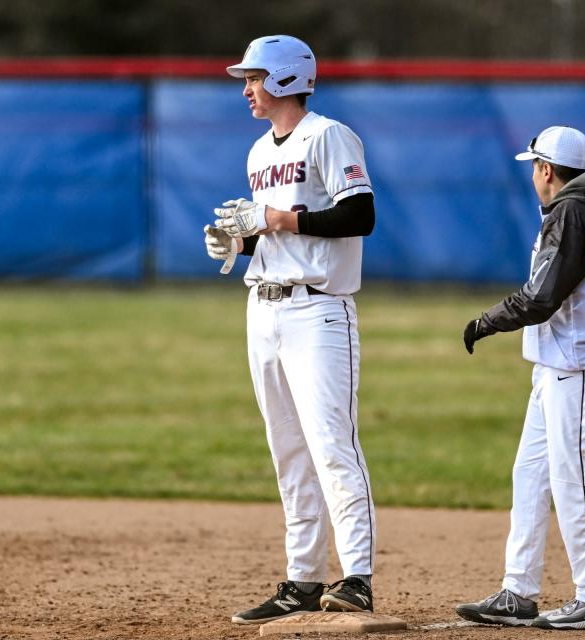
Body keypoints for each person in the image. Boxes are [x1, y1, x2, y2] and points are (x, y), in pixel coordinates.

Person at [203, 35, 378, 625]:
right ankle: (302, 580)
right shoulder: (258, 152)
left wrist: (275, 219)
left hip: (318, 311)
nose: (246, 88)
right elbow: (275, 230)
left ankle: (356, 577)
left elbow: (360, 213)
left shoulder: (328, 135)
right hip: (265, 308)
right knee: (288, 453)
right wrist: (242, 240)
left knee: (333, 445)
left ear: (282, 79)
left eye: (253, 77)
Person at [456, 126, 585, 630]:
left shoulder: (573, 212)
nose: (532, 174)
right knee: (530, 476)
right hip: (558, 368)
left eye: (534, 165)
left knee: (574, 480)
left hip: (577, 369)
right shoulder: (583, 209)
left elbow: (540, 297)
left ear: (546, 170)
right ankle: (518, 591)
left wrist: (485, 322)